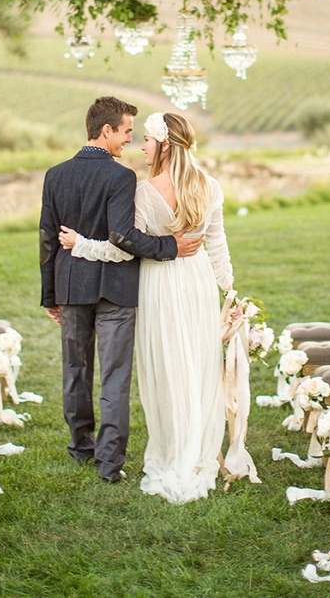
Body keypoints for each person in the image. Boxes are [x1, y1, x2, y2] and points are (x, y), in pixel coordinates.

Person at [58, 111, 234, 504]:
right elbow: (217, 245)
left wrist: (81, 245)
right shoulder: (211, 187)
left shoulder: (145, 190)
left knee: (166, 367)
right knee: (198, 366)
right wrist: (231, 292)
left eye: (148, 142)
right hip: (199, 280)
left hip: (159, 283)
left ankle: (172, 451)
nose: (142, 147)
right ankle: (195, 449)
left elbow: (124, 249)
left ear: (165, 146)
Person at [40, 96, 203, 483]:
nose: (130, 139)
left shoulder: (55, 174)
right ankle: (109, 462)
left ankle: (81, 447)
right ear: (106, 130)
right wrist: (171, 247)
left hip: (70, 286)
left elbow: (48, 239)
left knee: (75, 370)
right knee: (115, 376)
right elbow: (122, 236)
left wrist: (50, 295)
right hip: (115, 290)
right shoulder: (121, 177)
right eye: (127, 131)